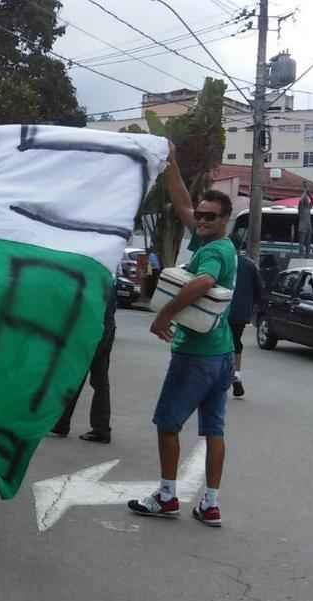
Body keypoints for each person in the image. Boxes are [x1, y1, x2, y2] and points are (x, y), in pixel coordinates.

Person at [129, 144, 237, 528]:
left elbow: (204, 281)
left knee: (168, 424)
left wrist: (164, 315)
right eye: (202, 215)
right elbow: (181, 205)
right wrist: (172, 163)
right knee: (214, 430)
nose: (201, 220)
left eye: (210, 216)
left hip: (196, 355)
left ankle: (166, 495)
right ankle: (210, 504)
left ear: (226, 219)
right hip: (222, 353)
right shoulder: (216, 241)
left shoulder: (213, 252)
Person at [52, 286, 116, 443]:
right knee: (97, 382)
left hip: (92, 335)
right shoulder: (107, 279)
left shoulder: (95, 279)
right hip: (103, 333)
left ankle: (63, 424)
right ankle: (99, 428)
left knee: (76, 378)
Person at [227, 251, 264, 397]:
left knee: (215, 342)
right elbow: (259, 290)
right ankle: (236, 375)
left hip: (219, 309)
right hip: (240, 313)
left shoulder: (218, 260)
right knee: (235, 342)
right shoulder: (249, 265)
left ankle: (218, 376)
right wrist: (250, 306)